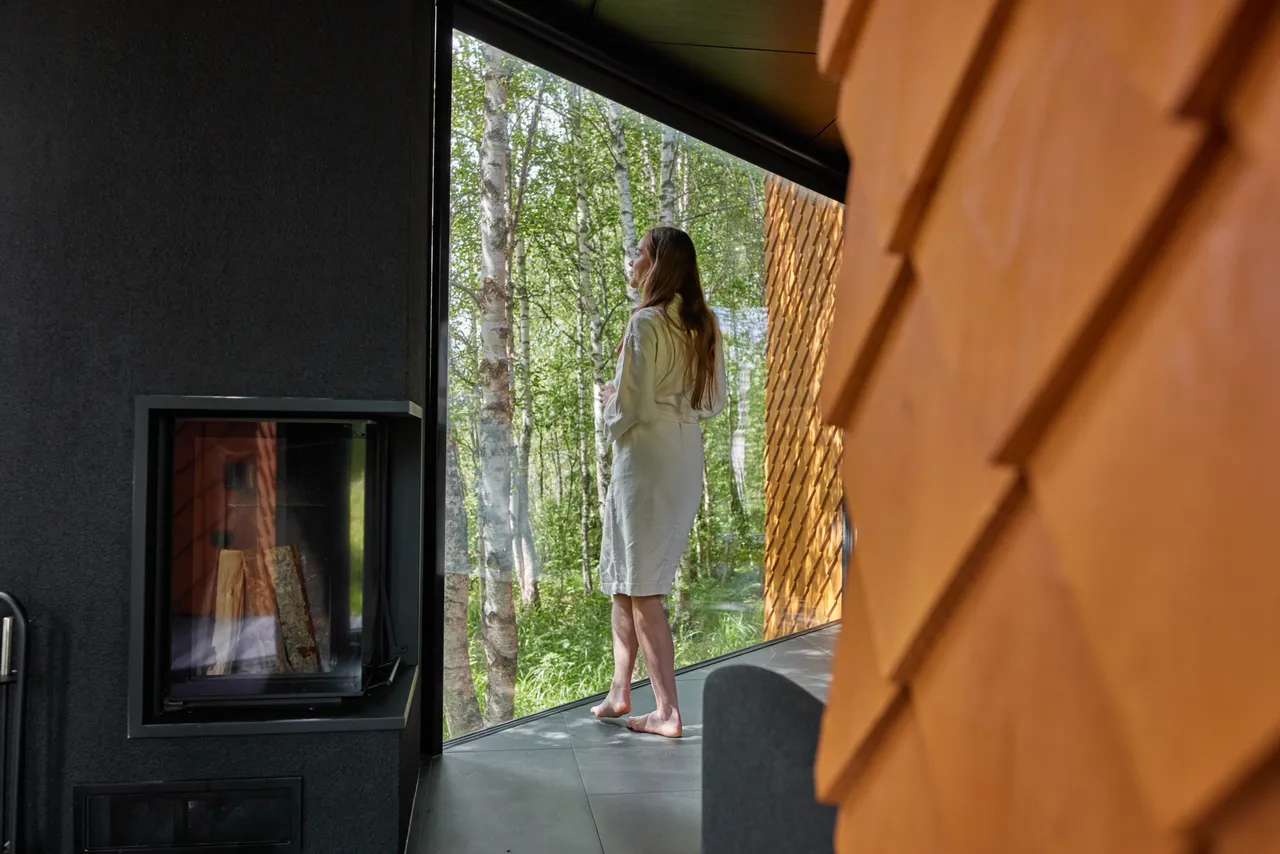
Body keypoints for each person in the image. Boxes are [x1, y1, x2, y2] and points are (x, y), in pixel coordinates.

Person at [590, 226, 727, 738]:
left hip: (645, 459)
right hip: (682, 452)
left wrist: (610, 404)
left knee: (642, 586)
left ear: (657, 265)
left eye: (638, 254)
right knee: (628, 578)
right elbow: (712, 403)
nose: (631, 261)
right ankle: (620, 691)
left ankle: (667, 712)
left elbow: (634, 407)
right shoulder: (704, 323)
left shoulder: (645, 322)